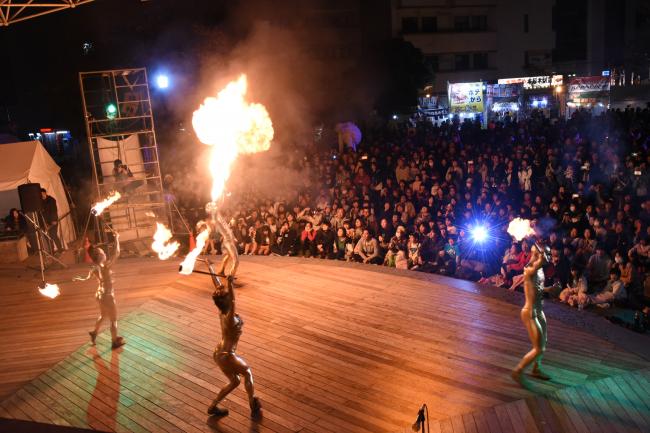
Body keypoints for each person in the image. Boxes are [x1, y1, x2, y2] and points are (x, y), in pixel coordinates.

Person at [207, 267, 261, 418]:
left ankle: (213, 406)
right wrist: (230, 283)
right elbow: (233, 299)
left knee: (235, 381)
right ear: (225, 300)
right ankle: (253, 404)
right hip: (227, 354)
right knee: (247, 372)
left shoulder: (221, 311)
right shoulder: (230, 316)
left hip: (218, 353)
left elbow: (217, 285)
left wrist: (210, 267)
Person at [73, 229, 125, 349]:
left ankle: (94, 332)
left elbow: (85, 278)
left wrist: (78, 278)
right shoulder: (106, 266)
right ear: (100, 256)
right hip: (107, 295)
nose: (105, 253)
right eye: (103, 252)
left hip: (99, 294)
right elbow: (116, 253)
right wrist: (116, 238)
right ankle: (114, 341)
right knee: (113, 319)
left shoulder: (94, 267)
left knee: (103, 315)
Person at [512, 242, 551, 383]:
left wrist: (549, 289)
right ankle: (518, 371)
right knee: (539, 349)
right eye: (546, 253)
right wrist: (542, 256)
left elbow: (538, 287)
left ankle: (536, 369)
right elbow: (541, 262)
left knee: (543, 343)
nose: (549, 256)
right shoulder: (529, 269)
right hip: (530, 313)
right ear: (536, 254)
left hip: (539, 312)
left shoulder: (539, 270)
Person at [41, 188, 63, 253]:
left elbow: (54, 210)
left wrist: (54, 220)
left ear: (45, 193)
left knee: (53, 235)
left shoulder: (51, 200)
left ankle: (60, 249)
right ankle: (52, 251)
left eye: (43, 193)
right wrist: (44, 223)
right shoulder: (40, 202)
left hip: (53, 220)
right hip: (46, 222)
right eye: (41, 194)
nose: (42, 195)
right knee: (48, 236)